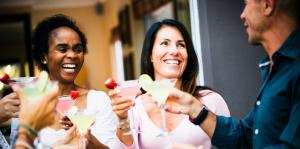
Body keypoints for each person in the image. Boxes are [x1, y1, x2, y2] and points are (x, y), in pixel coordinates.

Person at [165, 0, 300, 148]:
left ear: (267, 5)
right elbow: (246, 136)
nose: (242, 15)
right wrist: (195, 109)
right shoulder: (273, 68)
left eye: (246, 4)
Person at [109, 19, 230, 149]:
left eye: (181, 45)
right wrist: (122, 119)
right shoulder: (134, 106)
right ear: (150, 55)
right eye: (165, 43)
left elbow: (232, 145)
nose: (174, 51)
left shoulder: (211, 100)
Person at [30, 14, 117, 148]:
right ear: (44, 57)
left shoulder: (98, 100)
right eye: (62, 49)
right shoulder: (30, 106)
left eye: (78, 49)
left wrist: (84, 135)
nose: (72, 55)